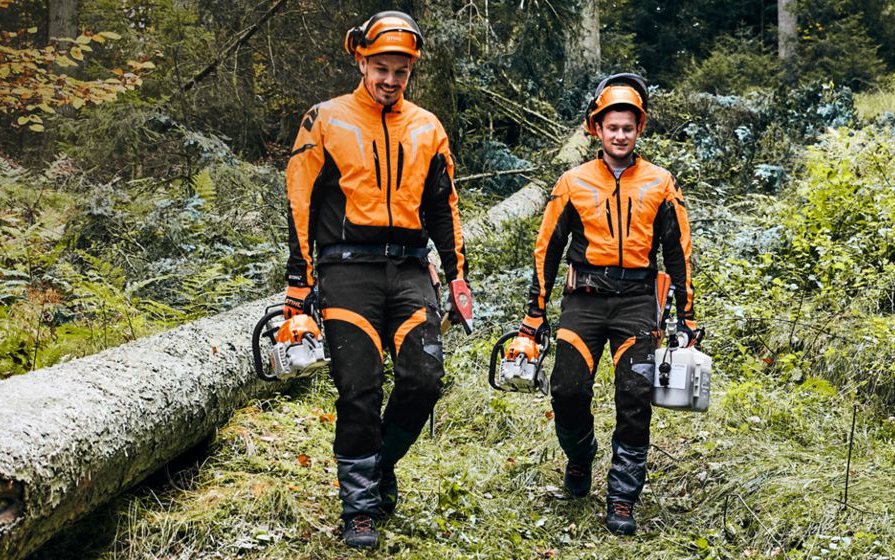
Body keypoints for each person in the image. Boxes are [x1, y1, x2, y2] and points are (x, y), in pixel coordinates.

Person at [282, 10, 473, 549]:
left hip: (412, 268)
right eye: (381, 67)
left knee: (424, 379)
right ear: (361, 60)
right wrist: (300, 283)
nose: (390, 80)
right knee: (359, 390)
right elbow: (300, 202)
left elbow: (444, 206)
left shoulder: (428, 127)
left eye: (401, 71)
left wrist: (458, 275)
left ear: (411, 72)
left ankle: (378, 465)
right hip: (347, 270)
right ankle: (359, 508)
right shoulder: (325, 119)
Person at [514, 73, 697, 536]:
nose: (620, 135)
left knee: (635, 398)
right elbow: (547, 249)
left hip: (638, 300)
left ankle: (621, 497)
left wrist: (686, 314)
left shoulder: (660, 182)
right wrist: (533, 316)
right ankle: (580, 456)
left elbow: (678, 251)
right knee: (568, 389)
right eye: (611, 127)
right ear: (595, 128)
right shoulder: (572, 182)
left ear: (640, 130)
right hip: (584, 301)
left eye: (628, 128)